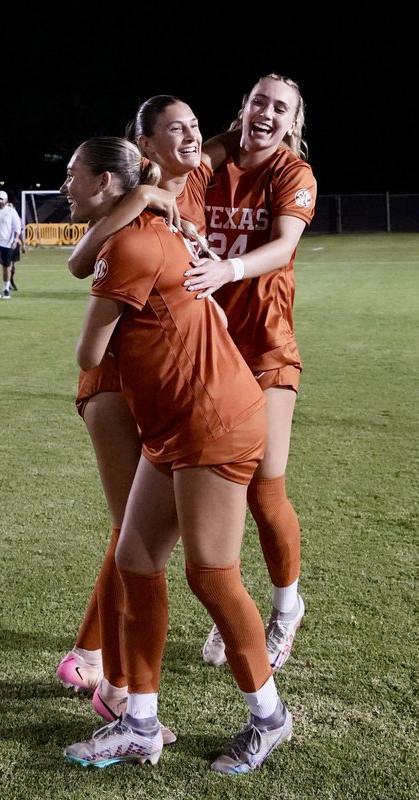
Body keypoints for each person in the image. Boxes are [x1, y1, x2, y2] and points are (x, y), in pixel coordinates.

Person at [61, 136, 291, 775]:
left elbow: (87, 355)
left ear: (107, 182)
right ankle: (138, 722)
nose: (64, 188)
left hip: (210, 419)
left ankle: (270, 718)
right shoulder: (154, 221)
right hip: (181, 418)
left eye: (73, 176)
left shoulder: (131, 243)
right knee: (135, 557)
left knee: (211, 574)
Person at [56, 94, 227, 712]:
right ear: (145, 147)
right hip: (112, 379)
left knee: (142, 533)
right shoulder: (141, 196)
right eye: (174, 129)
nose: (192, 137)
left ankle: (108, 668)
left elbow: (238, 139)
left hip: (166, 382)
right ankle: (109, 676)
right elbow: (80, 263)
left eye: (196, 127)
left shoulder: (193, 185)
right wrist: (144, 199)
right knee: (136, 535)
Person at [180, 73, 317, 674]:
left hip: (265, 346)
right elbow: (174, 183)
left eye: (279, 108)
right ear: (243, 108)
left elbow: (283, 248)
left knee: (264, 486)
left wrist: (228, 270)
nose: (267, 112)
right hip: (208, 347)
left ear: (292, 123)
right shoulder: (211, 155)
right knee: (216, 490)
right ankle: (231, 613)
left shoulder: (292, 173)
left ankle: (286, 609)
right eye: (259, 101)